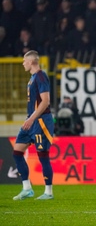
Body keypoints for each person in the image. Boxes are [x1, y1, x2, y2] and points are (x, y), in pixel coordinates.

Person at [12, 50, 54, 200]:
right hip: (31, 120)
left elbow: (45, 101)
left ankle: (48, 192)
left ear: (31, 62)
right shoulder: (33, 78)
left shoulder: (41, 76)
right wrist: (29, 119)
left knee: (43, 156)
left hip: (41, 121)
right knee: (17, 152)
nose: (23, 63)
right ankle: (27, 188)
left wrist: (31, 119)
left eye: (24, 61)